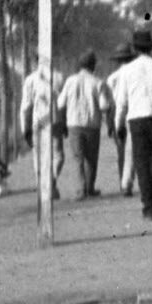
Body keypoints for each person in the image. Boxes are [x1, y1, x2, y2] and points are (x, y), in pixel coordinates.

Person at [111, 28, 152, 220]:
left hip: (137, 120)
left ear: (135, 49)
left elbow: (121, 102)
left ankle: (148, 207)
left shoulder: (127, 71)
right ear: (151, 47)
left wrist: (118, 125)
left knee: (142, 164)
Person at [56, 50, 112, 199]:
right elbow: (104, 106)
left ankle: (80, 190)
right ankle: (89, 188)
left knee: (77, 158)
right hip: (92, 125)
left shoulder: (70, 81)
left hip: (74, 124)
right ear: (93, 66)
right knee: (91, 158)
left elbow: (60, 103)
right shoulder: (98, 82)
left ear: (80, 65)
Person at [18, 57, 65, 199]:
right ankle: (51, 182)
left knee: (38, 157)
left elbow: (25, 106)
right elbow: (63, 104)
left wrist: (25, 128)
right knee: (58, 156)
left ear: (36, 61)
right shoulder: (59, 77)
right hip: (55, 121)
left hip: (38, 122)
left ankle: (44, 185)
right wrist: (65, 122)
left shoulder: (30, 80)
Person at [105, 42, 137, 196]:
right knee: (132, 150)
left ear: (117, 60)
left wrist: (110, 124)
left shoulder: (112, 78)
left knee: (121, 150)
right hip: (133, 113)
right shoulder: (134, 74)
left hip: (117, 114)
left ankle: (122, 181)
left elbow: (110, 103)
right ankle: (128, 181)